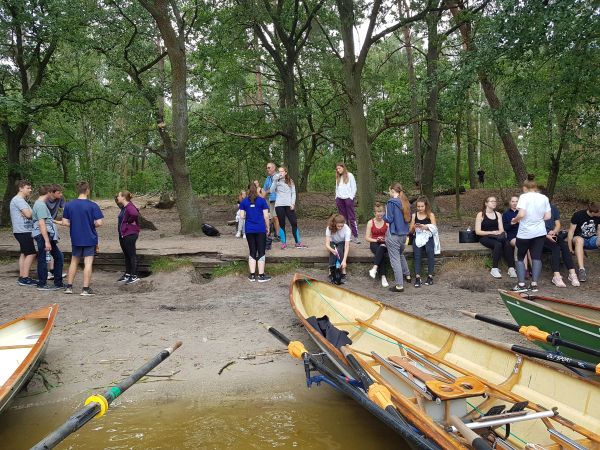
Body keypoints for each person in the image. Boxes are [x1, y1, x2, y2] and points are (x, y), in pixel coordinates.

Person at [58, 181, 104, 296]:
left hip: (76, 238)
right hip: (90, 238)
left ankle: (69, 287)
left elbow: (65, 222)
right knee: (88, 263)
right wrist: (89, 224)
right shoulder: (93, 205)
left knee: (74, 261)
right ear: (87, 190)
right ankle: (85, 289)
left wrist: (75, 224)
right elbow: (99, 222)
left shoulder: (69, 205)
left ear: (77, 190)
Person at [510, 178, 551, 292]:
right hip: (540, 232)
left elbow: (522, 213)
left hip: (525, 233)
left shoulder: (524, 197)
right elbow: (547, 216)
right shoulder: (544, 198)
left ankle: (521, 284)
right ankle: (534, 284)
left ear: (525, 188)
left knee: (519, 257)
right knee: (536, 257)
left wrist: (515, 220)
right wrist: (537, 220)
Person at [538, 188, 579, 287]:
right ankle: (556, 276)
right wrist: (546, 234)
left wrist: (555, 231)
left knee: (563, 245)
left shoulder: (552, 208)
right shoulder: (534, 209)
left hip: (552, 235)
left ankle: (572, 274)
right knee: (555, 247)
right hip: (539, 236)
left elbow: (558, 224)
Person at [31, 185, 64, 290]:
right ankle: (42, 283)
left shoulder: (40, 204)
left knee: (58, 257)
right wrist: (46, 241)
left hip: (46, 235)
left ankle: (58, 283)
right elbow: (42, 224)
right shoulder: (40, 205)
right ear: (49, 193)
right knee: (43, 258)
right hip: (42, 236)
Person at [475, 196, 516, 278]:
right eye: (492, 201)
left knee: (507, 243)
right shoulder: (481, 214)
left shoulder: (498, 214)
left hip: (497, 236)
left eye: (495, 201)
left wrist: (498, 233)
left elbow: (501, 229)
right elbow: (478, 231)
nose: (494, 203)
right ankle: (494, 268)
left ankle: (511, 268)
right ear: (486, 203)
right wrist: (491, 232)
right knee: (498, 244)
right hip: (485, 236)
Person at [239, 182, 271, 282]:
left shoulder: (244, 202)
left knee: (252, 251)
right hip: (260, 229)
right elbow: (266, 216)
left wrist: (249, 214)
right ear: (257, 190)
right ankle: (261, 276)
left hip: (249, 229)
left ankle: (252, 275)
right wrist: (268, 227)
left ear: (248, 190)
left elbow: (241, 216)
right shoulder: (262, 201)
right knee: (261, 251)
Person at [383, 182, 411, 293]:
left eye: (389, 191)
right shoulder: (405, 202)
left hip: (393, 235)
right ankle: (407, 275)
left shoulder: (391, 202)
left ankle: (399, 285)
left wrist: (383, 217)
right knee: (399, 255)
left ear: (392, 191)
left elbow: (389, 219)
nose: (389, 193)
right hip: (404, 235)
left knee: (395, 261)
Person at [9, 180, 38, 286]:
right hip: (23, 231)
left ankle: (22, 276)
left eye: (30, 188)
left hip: (22, 230)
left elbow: (28, 214)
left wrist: (29, 213)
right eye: (28, 188)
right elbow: (29, 214)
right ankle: (24, 278)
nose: (30, 190)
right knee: (31, 253)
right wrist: (32, 213)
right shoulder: (19, 200)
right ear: (21, 188)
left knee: (24, 253)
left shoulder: (20, 200)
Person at [272, 166, 306, 249]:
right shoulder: (276, 181)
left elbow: (293, 193)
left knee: (294, 222)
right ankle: (284, 243)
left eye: (282, 171)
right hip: (279, 205)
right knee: (282, 224)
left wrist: (293, 204)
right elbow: (272, 190)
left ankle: (298, 242)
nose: (280, 173)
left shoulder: (290, 181)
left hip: (289, 205)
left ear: (285, 172)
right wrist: (275, 180)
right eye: (279, 171)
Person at [409, 196, 439, 287]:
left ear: (425, 206)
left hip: (428, 236)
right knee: (417, 254)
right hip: (417, 236)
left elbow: (434, 228)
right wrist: (414, 227)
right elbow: (410, 231)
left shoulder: (430, 215)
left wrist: (425, 227)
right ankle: (418, 277)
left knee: (430, 251)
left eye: (422, 206)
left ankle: (430, 276)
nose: (420, 208)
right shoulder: (414, 215)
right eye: (418, 207)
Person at [567, 202, 600, 282]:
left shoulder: (598, 217)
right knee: (579, 240)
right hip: (578, 239)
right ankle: (582, 270)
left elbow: (599, 230)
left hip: (592, 239)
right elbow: (571, 232)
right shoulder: (578, 215)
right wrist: (570, 247)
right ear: (593, 212)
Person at [116, 190, 141, 285]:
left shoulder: (130, 206)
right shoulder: (124, 207)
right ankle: (128, 274)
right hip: (123, 234)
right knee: (126, 254)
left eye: (118, 196)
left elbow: (135, 214)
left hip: (130, 234)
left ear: (123, 197)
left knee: (131, 254)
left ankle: (134, 275)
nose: (117, 197)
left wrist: (128, 222)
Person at [335, 162, 360, 244]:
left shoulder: (350, 175)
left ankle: (356, 236)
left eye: (339, 168)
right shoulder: (338, 177)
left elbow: (354, 187)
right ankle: (346, 236)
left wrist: (351, 197)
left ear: (343, 168)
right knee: (343, 219)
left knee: (351, 217)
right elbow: (336, 188)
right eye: (337, 169)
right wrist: (336, 197)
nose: (338, 170)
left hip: (348, 199)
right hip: (340, 199)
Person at [365, 203, 389, 288]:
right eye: (377, 212)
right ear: (374, 213)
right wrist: (376, 239)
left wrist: (384, 239)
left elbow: (390, 237)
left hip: (385, 242)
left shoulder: (387, 223)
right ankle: (383, 276)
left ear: (384, 212)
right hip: (374, 242)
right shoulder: (370, 222)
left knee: (382, 247)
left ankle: (374, 268)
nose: (379, 214)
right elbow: (367, 238)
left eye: (381, 211)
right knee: (381, 251)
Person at [46, 184, 66, 279]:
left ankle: (53, 271)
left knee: (52, 247)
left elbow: (66, 209)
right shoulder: (45, 200)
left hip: (52, 225)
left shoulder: (60, 198)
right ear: (52, 193)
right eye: (59, 193)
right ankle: (49, 272)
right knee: (48, 248)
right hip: (44, 224)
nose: (61, 194)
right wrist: (56, 221)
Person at [325, 214, 351, 284]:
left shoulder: (347, 229)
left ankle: (343, 269)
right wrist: (332, 250)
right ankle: (331, 270)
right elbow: (327, 245)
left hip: (342, 242)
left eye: (341, 226)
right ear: (334, 224)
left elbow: (346, 246)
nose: (340, 228)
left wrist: (344, 260)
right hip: (332, 242)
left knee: (339, 250)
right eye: (338, 226)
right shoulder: (329, 228)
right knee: (333, 250)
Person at [262, 162, 280, 240]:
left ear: (273, 168)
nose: (267, 169)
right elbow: (264, 189)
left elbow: (274, 188)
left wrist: (266, 192)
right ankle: (274, 233)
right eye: (267, 168)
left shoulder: (278, 176)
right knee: (272, 218)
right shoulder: (268, 178)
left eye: (269, 167)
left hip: (278, 199)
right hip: (271, 200)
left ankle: (278, 235)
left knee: (275, 218)